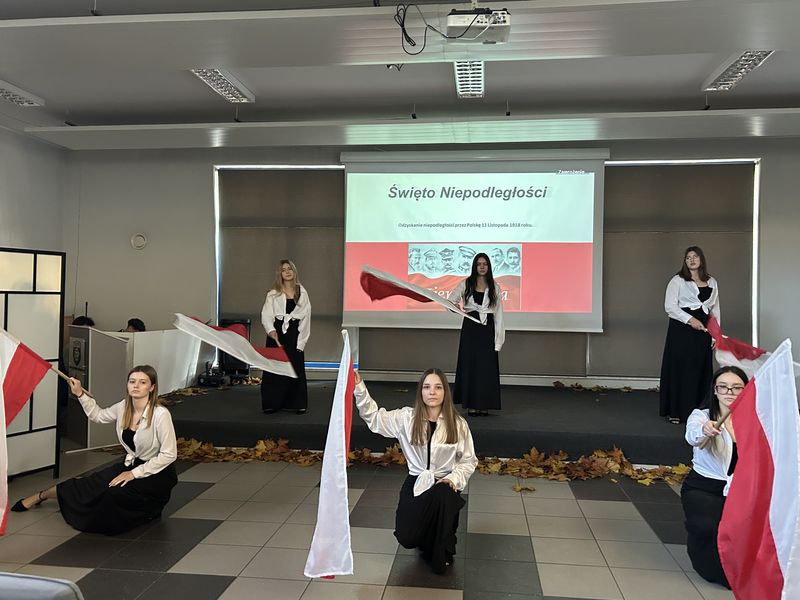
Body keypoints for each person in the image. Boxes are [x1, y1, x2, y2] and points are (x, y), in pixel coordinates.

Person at [11, 365, 178, 535]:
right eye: (132, 381)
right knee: (90, 485)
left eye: (142, 382)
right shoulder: (123, 407)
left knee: (114, 493)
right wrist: (80, 394)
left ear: (152, 387)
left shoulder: (160, 414)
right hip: (131, 465)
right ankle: (43, 495)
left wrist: (133, 474)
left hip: (157, 473)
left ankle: (148, 510)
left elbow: (169, 454)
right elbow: (98, 415)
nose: (136, 385)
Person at [353, 368, 477, 574]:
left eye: (438, 387)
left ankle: (443, 546)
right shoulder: (406, 418)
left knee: (443, 494)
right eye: (427, 387)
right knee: (406, 537)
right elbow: (374, 418)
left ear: (445, 392)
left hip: (444, 485)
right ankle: (425, 536)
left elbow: (468, 460)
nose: (432, 392)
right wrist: (359, 387)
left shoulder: (458, 424)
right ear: (420, 391)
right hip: (416, 481)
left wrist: (453, 479)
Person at [681, 366, 746, 589]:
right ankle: (713, 569)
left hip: (740, 488)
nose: (730, 392)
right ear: (715, 390)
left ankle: (741, 569)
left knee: (741, 530)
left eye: (737, 387)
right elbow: (692, 436)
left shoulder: (754, 419)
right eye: (723, 387)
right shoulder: (702, 416)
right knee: (708, 527)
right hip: (703, 486)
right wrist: (705, 430)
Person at [659, 246, 720, 423]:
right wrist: (690, 320)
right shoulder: (677, 280)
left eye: (695, 256)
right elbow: (670, 307)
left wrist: (715, 335)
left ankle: (700, 411)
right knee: (682, 369)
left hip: (703, 331)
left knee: (700, 368)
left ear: (701, 259)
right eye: (688, 257)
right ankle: (677, 411)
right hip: (681, 331)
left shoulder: (712, 281)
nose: (692, 260)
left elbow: (715, 310)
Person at [450, 253, 504, 416]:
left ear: (489, 267)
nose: (482, 267)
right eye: (479, 264)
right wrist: (456, 309)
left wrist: (498, 340)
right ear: (474, 266)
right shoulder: (466, 283)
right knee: (470, 365)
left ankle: (484, 404)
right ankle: (471, 404)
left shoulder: (495, 286)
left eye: (485, 264)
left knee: (485, 367)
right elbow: (451, 301)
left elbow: (499, 315)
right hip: (471, 328)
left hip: (487, 329)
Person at [260, 259, 310, 414]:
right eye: (284, 269)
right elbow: (266, 314)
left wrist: (301, 342)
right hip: (277, 333)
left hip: (294, 333)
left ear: (294, 271)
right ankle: (272, 403)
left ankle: (296, 403)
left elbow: (306, 318)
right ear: (280, 274)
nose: (287, 272)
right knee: (274, 366)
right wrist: (270, 330)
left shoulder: (302, 292)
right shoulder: (273, 293)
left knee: (295, 366)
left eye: (290, 269)